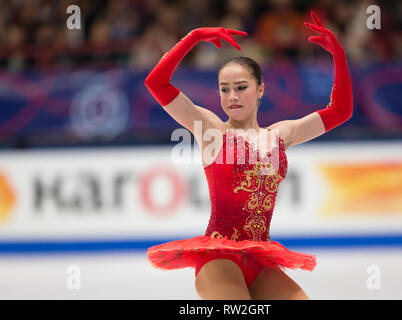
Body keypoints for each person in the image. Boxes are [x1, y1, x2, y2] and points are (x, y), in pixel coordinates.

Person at [145, 11, 353, 300]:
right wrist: (192, 38)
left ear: (260, 90)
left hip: (259, 259)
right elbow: (157, 83)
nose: (232, 96)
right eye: (224, 89)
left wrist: (339, 57)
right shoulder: (211, 130)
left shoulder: (281, 135)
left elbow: (340, 111)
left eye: (241, 88)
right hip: (218, 260)